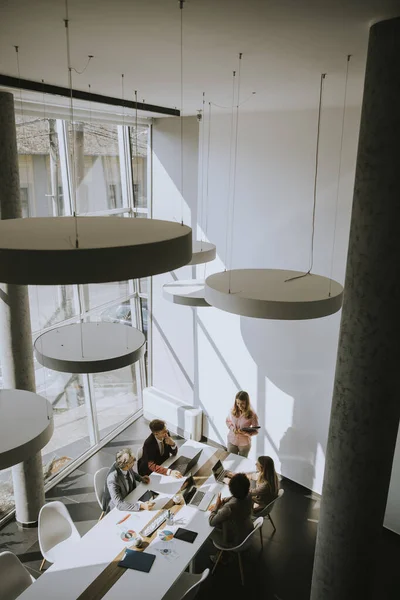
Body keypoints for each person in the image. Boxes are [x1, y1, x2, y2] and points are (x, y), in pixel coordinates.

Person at [208, 473, 254, 554]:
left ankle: (222, 556)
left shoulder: (228, 508)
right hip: (247, 530)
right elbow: (235, 498)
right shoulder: (249, 495)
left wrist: (216, 506)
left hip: (235, 541)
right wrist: (224, 500)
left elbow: (211, 521)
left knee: (208, 531)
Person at [103, 447, 154, 513]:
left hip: (130, 498)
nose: (134, 462)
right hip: (117, 508)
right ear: (126, 465)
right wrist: (141, 506)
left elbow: (130, 472)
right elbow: (119, 504)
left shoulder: (123, 465)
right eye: (132, 462)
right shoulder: (112, 479)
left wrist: (140, 478)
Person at [226, 391, 259, 457]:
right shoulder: (232, 410)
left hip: (244, 444)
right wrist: (233, 430)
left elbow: (256, 431)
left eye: (242, 403)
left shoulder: (252, 415)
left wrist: (245, 433)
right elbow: (228, 421)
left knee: (242, 464)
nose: (239, 406)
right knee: (230, 461)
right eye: (238, 403)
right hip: (232, 441)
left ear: (247, 403)